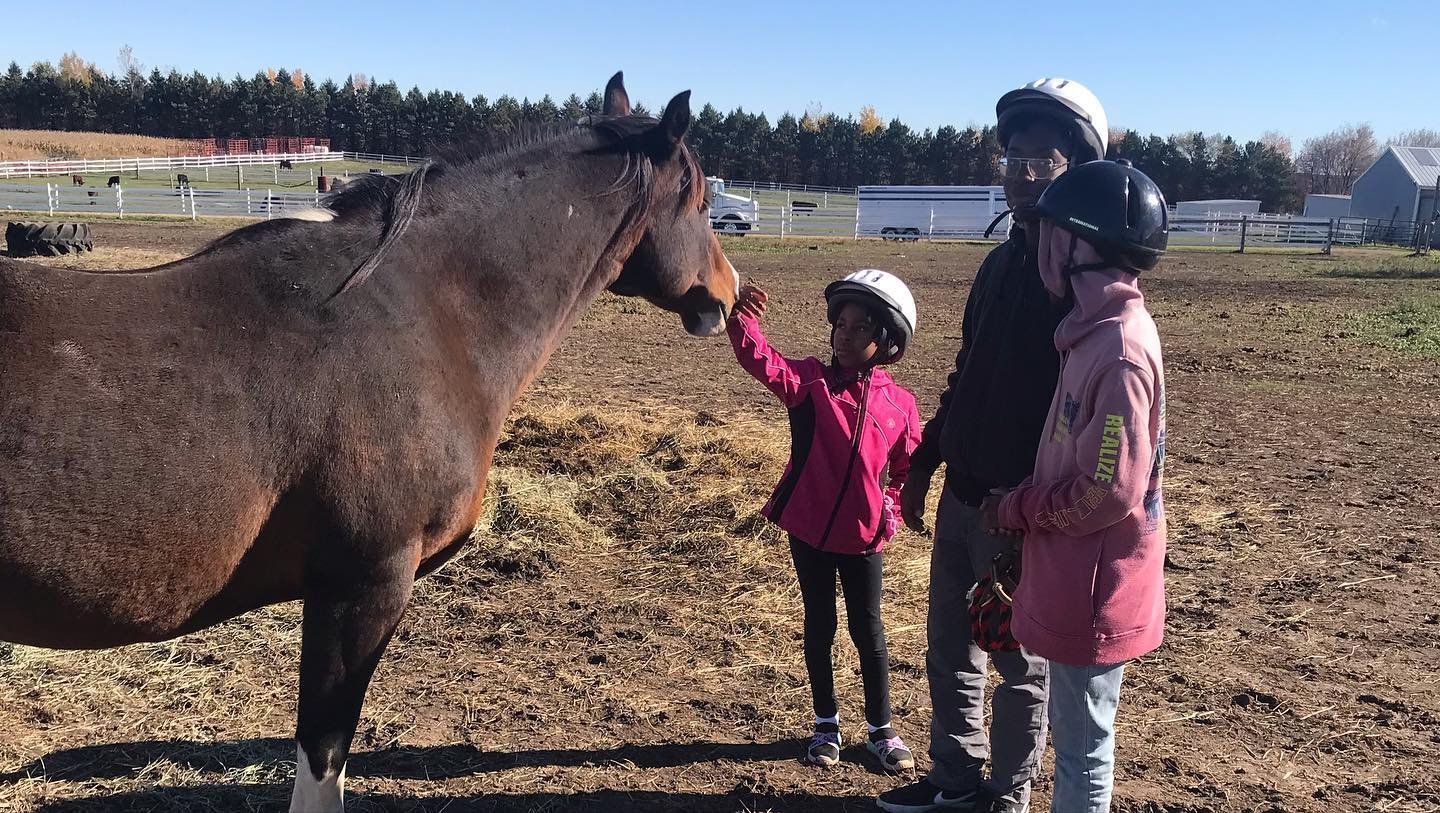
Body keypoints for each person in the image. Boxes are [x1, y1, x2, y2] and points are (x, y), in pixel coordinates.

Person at [877, 77, 1109, 813]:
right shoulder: (998, 266)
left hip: (1023, 511)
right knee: (950, 645)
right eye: (1013, 154)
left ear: (1079, 169)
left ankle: (1005, 795)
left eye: (1043, 156)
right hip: (964, 494)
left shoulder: (1080, 284)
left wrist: (1030, 509)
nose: (1024, 170)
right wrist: (925, 461)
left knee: (1019, 665)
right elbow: (967, 374)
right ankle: (954, 774)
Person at [982, 159, 1169, 812]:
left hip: (1094, 592)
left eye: (1052, 232)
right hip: (1072, 577)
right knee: (1077, 733)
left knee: (1084, 744)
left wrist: (1019, 508)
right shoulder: (1087, 338)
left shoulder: (1116, 354)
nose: (1041, 245)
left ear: (1081, 244)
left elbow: (1109, 491)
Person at [727, 270, 922, 772]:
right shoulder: (811, 383)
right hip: (809, 530)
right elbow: (762, 361)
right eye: (841, 323)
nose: (844, 334)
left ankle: (881, 729)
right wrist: (738, 315)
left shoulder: (900, 407)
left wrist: (889, 513)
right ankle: (826, 723)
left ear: (887, 341)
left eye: (860, 328)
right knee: (821, 625)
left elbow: (903, 470)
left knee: (869, 631)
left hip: (863, 540)